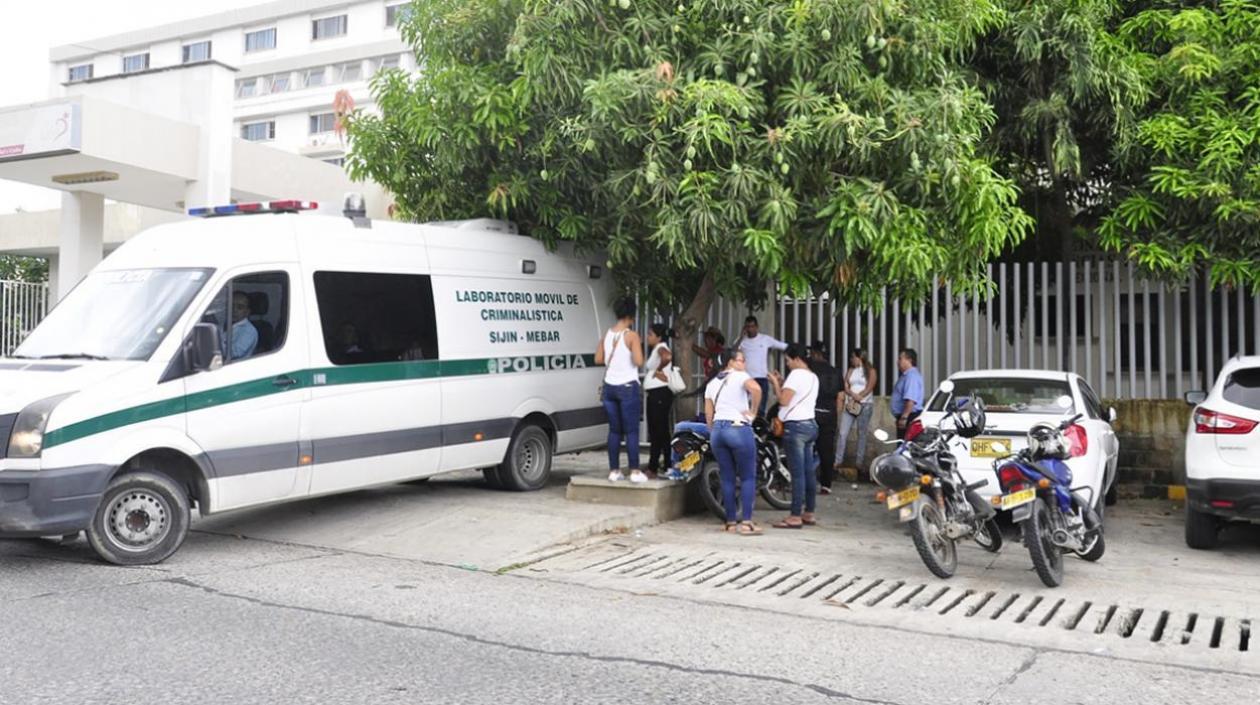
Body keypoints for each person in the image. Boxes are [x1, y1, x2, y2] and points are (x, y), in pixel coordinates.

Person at [705, 348, 763, 535]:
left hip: (718, 430)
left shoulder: (712, 383)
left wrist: (715, 430)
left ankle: (730, 522)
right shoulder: (740, 376)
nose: (743, 364)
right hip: (738, 427)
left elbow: (708, 415)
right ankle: (746, 523)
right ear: (730, 362)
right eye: (741, 360)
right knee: (747, 476)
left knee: (727, 477)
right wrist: (753, 412)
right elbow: (756, 388)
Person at [595, 298, 646, 482]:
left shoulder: (607, 335)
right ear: (631, 316)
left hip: (609, 387)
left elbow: (598, 359)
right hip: (627, 386)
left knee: (614, 431)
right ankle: (634, 471)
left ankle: (614, 471)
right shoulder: (631, 336)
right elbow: (639, 361)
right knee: (631, 431)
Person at [768, 344, 820, 529]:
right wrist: (782, 383)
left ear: (797, 359)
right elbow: (794, 397)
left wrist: (774, 382)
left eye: (788, 360)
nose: (787, 364)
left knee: (797, 474)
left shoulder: (796, 375)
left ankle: (795, 516)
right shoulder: (813, 376)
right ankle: (809, 512)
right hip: (810, 426)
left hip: (795, 429)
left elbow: (783, 400)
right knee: (808, 472)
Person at [836, 348, 878, 474]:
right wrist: (852, 395)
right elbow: (846, 384)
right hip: (852, 404)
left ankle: (859, 462)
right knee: (843, 432)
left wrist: (860, 395)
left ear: (859, 357)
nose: (851, 360)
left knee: (862, 433)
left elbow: (870, 386)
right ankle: (838, 460)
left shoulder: (870, 371)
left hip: (865, 404)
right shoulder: (851, 370)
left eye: (853, 357)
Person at [806, 341, 840, 495]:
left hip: (811, 412)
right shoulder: (835, 372)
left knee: (805, 447)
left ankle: (805, 481)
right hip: (829, 414)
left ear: (815, 353)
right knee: (826, 451)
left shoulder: (810, 370)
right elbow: (841, 397)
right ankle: (826, 484)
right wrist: (836, 415)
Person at [643, 323, 677, 476]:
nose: (648, 337)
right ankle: (659, 464)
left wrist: (657, 370)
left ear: (658, 337)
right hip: (656, 394)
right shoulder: (656, 349)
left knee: (659, 431)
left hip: (660, 394)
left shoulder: (661, 348)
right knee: (658, 430)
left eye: (650, 334)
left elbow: (667, 357)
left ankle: (656, 466)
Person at [737, 315, 787, 416]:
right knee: (745, 408)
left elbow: (782, 346)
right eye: (748, 327)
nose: (750, 329)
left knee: (760, 410)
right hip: (746, 379)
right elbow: (732, 351)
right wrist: (741, 336)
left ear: (757, 327)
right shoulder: (741, 341)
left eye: (752, 326)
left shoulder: (765, 339)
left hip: (762, 378)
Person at [891, 348, 924, 440]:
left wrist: (904, 417)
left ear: (909, 360)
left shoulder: (911, 376)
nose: (898, 361)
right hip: (906, 416)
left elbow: (910, 399)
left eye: (900, 358)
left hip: (909, 416)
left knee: (905, 446)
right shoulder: (906, 375)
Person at [230, 291, 258, 360]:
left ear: (247, 312)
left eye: (240, 307)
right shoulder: (223, 324)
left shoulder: (249, 330)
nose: (234, 310)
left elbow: (235, 352)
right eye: (231, 305)